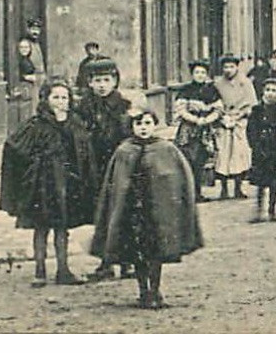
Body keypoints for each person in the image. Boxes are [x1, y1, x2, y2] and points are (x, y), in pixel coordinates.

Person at [90, 108, 203, 310]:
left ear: (154, 125)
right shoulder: (124, 150)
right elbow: (115, 184)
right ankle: (143, 291)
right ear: (132, 126)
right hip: (133, 211)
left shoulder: (166, 149)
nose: (143, 128)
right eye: (139, 124)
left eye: (148, 123)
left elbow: (176, 178)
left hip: (157, 212)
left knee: (156, 252)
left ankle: (156, 290)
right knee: (137, 253)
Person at [0, 79, 96, 287]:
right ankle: (39, 271)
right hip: (43, 183)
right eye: (56, 97)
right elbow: (14, 145)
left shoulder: (75, 122)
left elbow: (84, 150)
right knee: (41, 227)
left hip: (67, 183)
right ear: (46, 100)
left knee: (62, 228)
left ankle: (63, 270)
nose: (61, 102)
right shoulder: (36, 124)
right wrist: (35, 162)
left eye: (64, 97)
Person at [74, 57, 133, 280]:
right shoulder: (83, 107)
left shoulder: (124, 106)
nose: (101, 85)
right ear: (89, 82)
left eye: (106, 80)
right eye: (97, 80)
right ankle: (106, 262)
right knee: (102, 216)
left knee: (123, 214)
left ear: (115, 81)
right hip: (95, 168)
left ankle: (127, 262)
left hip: (119, 166)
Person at [172, 61, 222, 202]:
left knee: (201, 161)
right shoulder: (186, 90)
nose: (200, 75)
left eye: (203, 73)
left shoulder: (211, 90)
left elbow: (218, 109)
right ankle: (189, 193)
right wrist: (195, 120)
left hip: (205, 130)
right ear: (192, 74)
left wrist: (207, 120)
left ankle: (198, 192)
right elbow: (181, 110)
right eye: (197, 72)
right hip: (188, 131)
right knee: (188, 160)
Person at [246, 76, 276, 223]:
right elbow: (251, 129)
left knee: (273, 181)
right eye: (267, 90)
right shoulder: (257, 109)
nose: (270, 93)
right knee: (260, 181)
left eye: (274, 91)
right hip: (260, 148)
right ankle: (258, 210)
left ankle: (272, 209)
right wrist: (254, 144)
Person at [212, 55, 255, 200]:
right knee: (222, 156)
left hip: (240, 123)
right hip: (222, 122)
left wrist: (240, 115)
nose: (228, 70)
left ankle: (238, 187)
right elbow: (213, 102)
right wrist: (221, 117)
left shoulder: (245, 83)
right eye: (225, 67)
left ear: (237, 67)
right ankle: (223, 189)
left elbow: (251, 104)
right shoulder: (217, 84)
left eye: (231, 67)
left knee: (239, 155)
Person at [14, 38, 42, 106]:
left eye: (26, 47)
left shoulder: (28, 60)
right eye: (21, 47)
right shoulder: (18, 61)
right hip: (23, 88)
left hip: (31, 88)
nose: (24, 49)